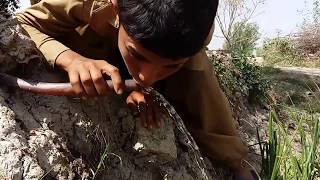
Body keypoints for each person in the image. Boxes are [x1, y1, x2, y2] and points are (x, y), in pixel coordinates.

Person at [16, 0, 257, 179]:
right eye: (137, 55)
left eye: (171, 66)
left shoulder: (197, 30)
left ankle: (238, 162)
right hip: (82, 30)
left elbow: (163, 68)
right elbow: (23, 24)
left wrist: (147, 87)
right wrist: (71, 59)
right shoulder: (86, 2)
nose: (146, 76)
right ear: (115, 8)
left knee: (200, 75)